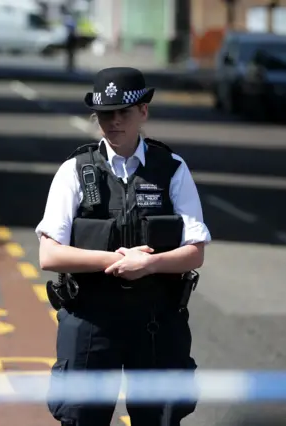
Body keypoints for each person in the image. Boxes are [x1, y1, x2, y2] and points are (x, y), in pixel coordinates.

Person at [35, 67, 212, 426]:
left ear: (143, 111)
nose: (114, 122)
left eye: (123, 112)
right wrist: (114, 260)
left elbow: (195, 251)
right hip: (91, 318)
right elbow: (49, 254)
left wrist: (146, 265)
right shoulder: (74, 171)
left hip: (155, 320)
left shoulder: (172, 169)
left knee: (160, 417)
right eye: (105, 114)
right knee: (81, 416)